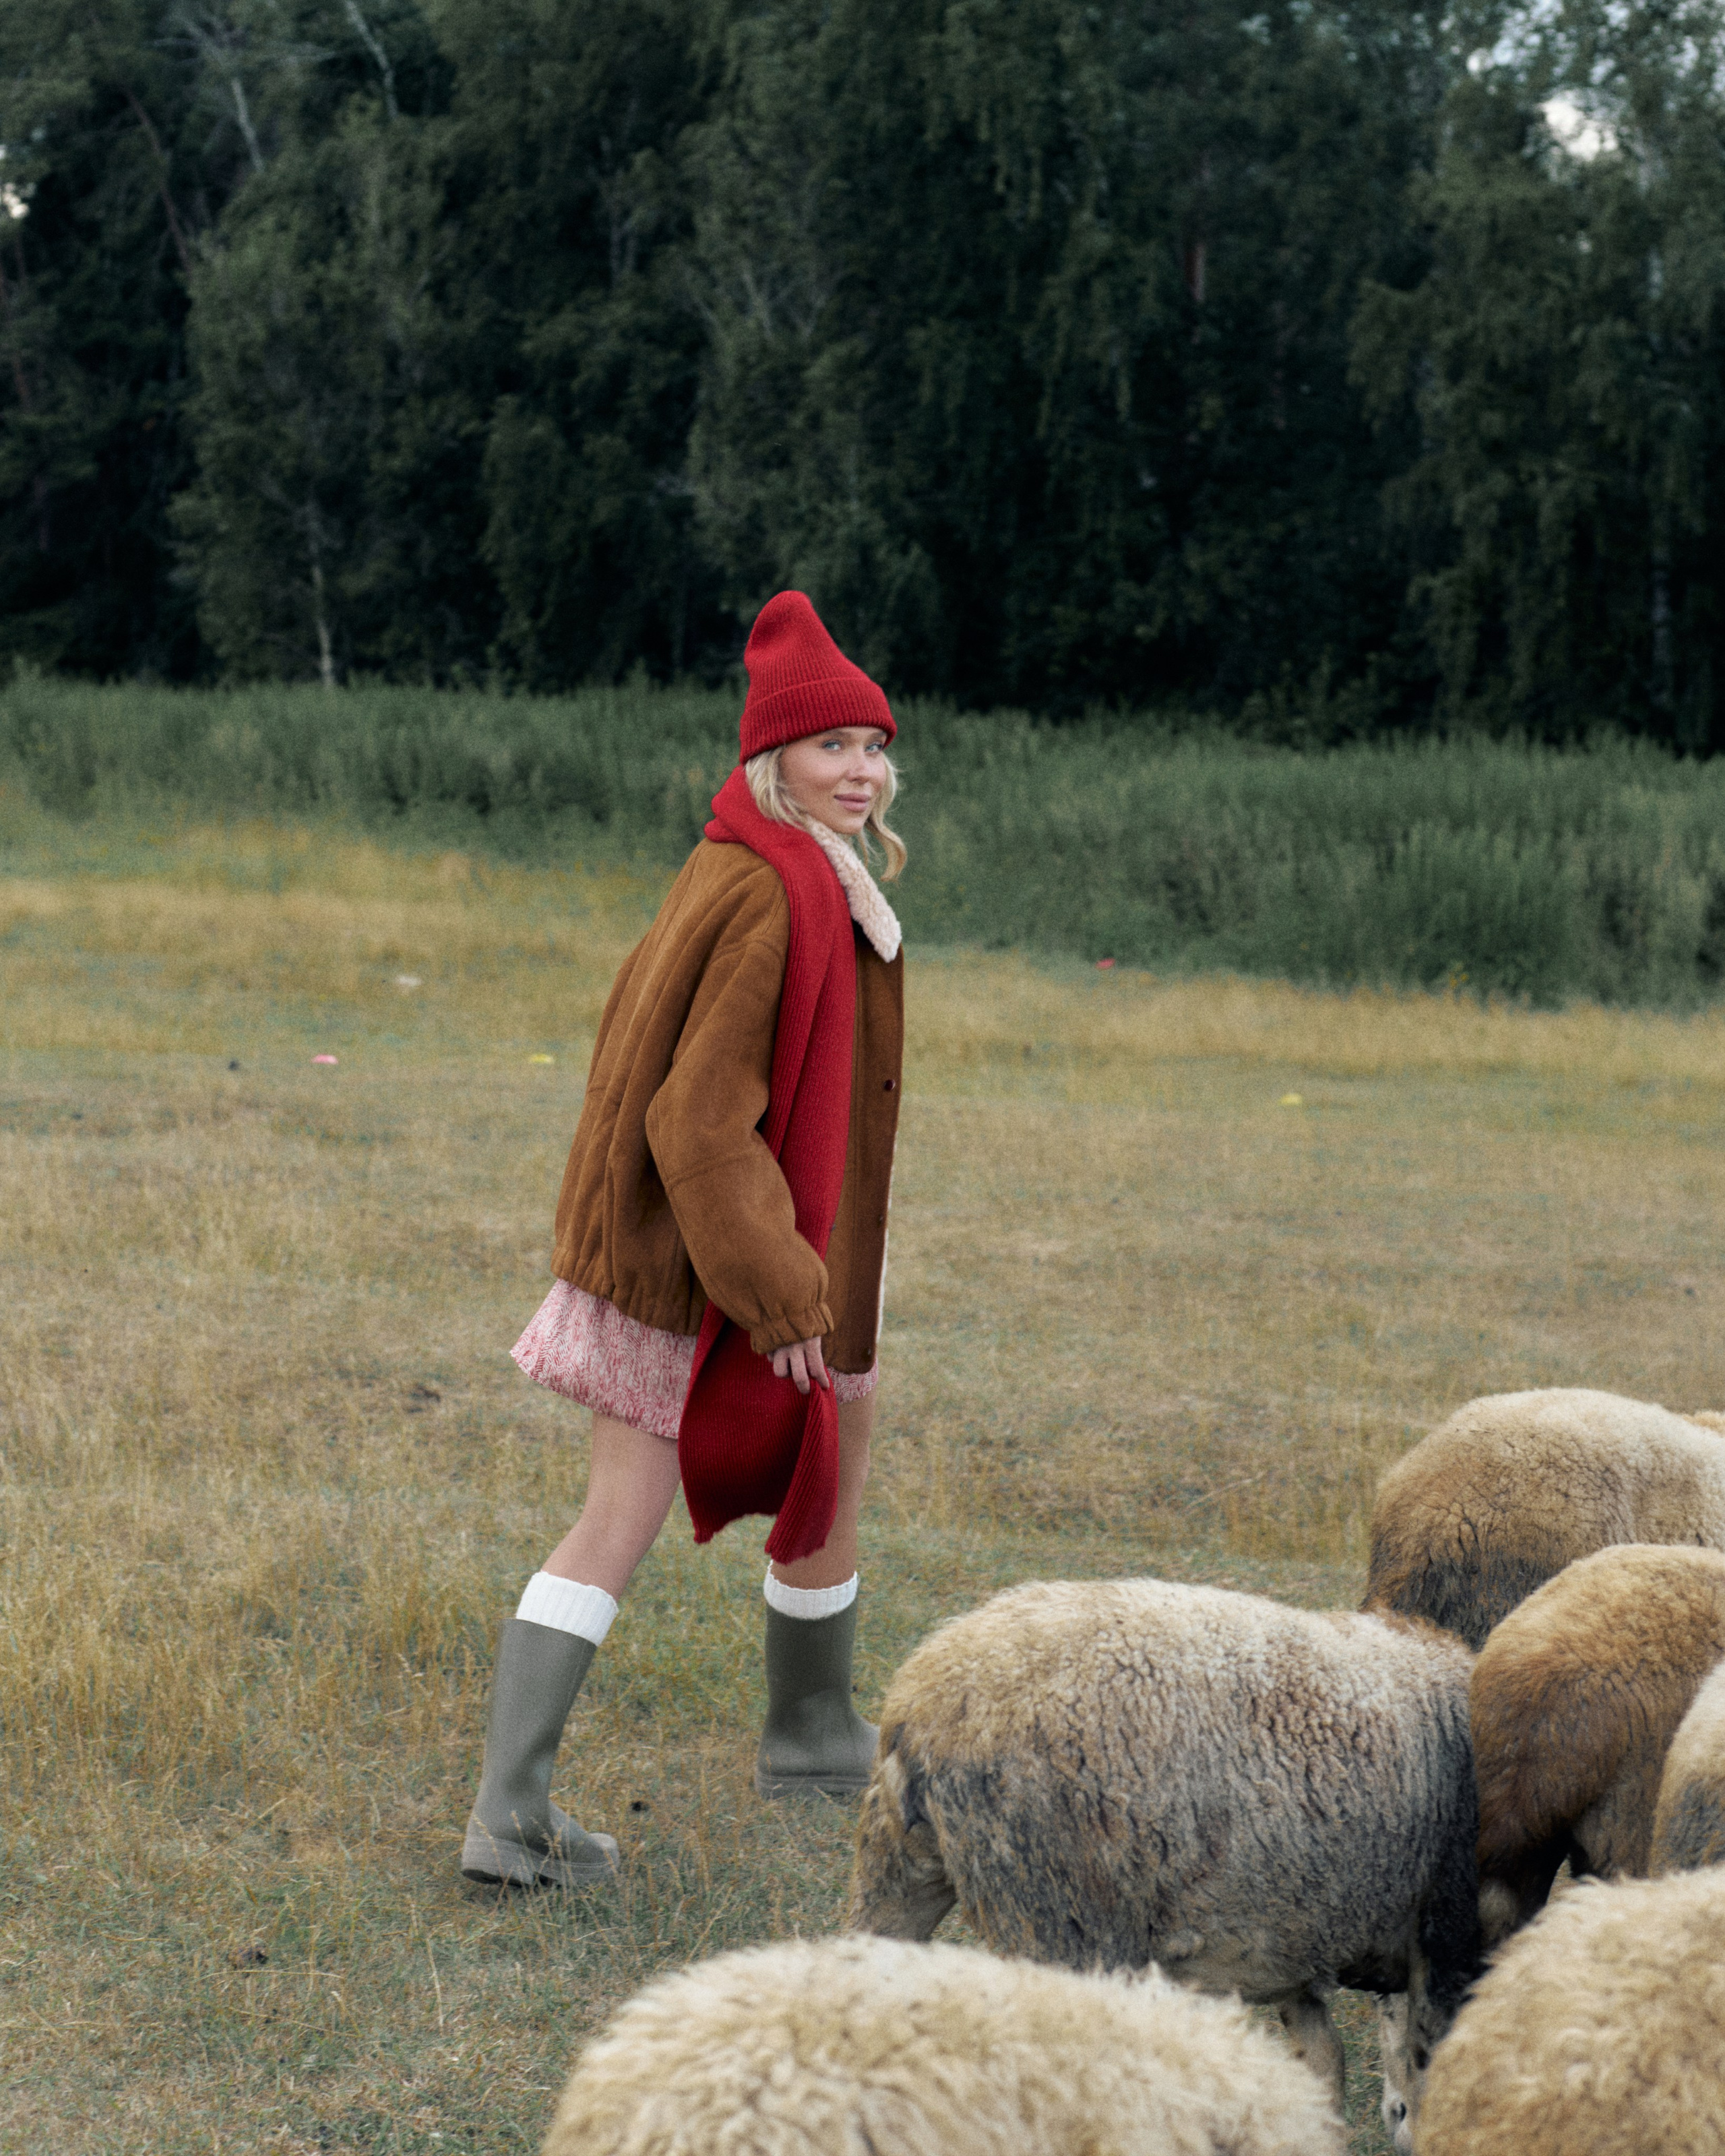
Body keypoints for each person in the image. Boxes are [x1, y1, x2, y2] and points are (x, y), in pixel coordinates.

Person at [461, 591, 906, 1889]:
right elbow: (695, 1121)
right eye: (835, 747)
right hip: (699, 1271)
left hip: (763, 1252)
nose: (864, 770)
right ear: (776, 759)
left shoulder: (776, 867)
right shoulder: (776, 896)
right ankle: (511, 1814)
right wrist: (779, 1298)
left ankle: (815, 1732)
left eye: (877, 747)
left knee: (839, 1443)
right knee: (621, 1513)